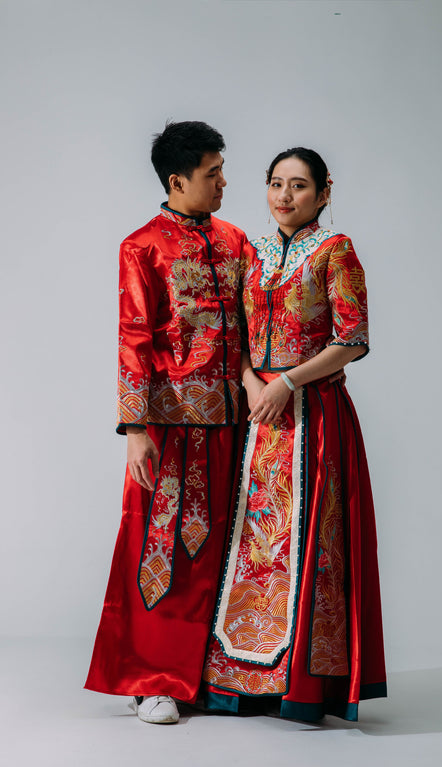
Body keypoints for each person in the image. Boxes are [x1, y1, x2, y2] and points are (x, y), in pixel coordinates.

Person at [203, 147, 386, 722]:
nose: (285, 196)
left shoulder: (336, 251)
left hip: (315, 417)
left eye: (299, 185)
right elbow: (233, 334)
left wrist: (287, 382)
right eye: (276, 183)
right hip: (257, 415)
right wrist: (252, 385)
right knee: (249, 542)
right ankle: (240, 681)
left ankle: (302, 686)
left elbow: (352, 339)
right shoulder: (248, 252)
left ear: (323, 193)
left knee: (310, 542)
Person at [85, 121, 252, 724]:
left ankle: (220, 678)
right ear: (178, 181)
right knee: (160, 549)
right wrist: (135, 429)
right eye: (213, 173)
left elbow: (255, 325)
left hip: (237, 423)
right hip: (170, 424)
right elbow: (133, 335)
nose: (224, 183)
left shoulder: (236, 241)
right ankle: (152, 679)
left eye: (223, 171)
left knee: (231, 545)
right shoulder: (143, 247)